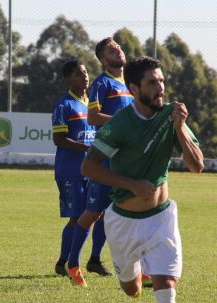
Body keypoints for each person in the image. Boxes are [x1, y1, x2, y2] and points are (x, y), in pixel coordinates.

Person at [81, 56, 204, 303]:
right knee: (130, 288)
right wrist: (132, 184)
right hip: (123, 224)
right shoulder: (120, 123)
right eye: (152, 83)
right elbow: (89, 168)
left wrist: (179, 128)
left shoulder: (171, 115)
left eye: (162, 81)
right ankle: (138, 274)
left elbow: (197, 166)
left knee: (167, 288)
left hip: (161, 219)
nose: (160, 87)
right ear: (134, 89)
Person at [65, 37, 134, 287]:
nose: (117, 51)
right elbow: (93, 117)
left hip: (126, 160)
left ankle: (99, 260)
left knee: (125, 213)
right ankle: (73, 265)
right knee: (93, 212)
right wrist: (124, 123)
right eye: (110, 50)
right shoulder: (102, 83)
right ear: (103, 59)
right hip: (104, 159)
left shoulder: (130, 84)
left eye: (118, 47)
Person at [52, 60, 95, 280]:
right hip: (70, 171)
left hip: (92, 171)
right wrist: (86, 147)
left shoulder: (93, 104)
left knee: (90, 216)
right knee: (77, 217)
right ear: (69, 78)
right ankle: (64, 262)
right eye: (79, 74)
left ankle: (74, 260)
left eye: (86, 72)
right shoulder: (64, 105)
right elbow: (58, 139)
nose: (85, 77)